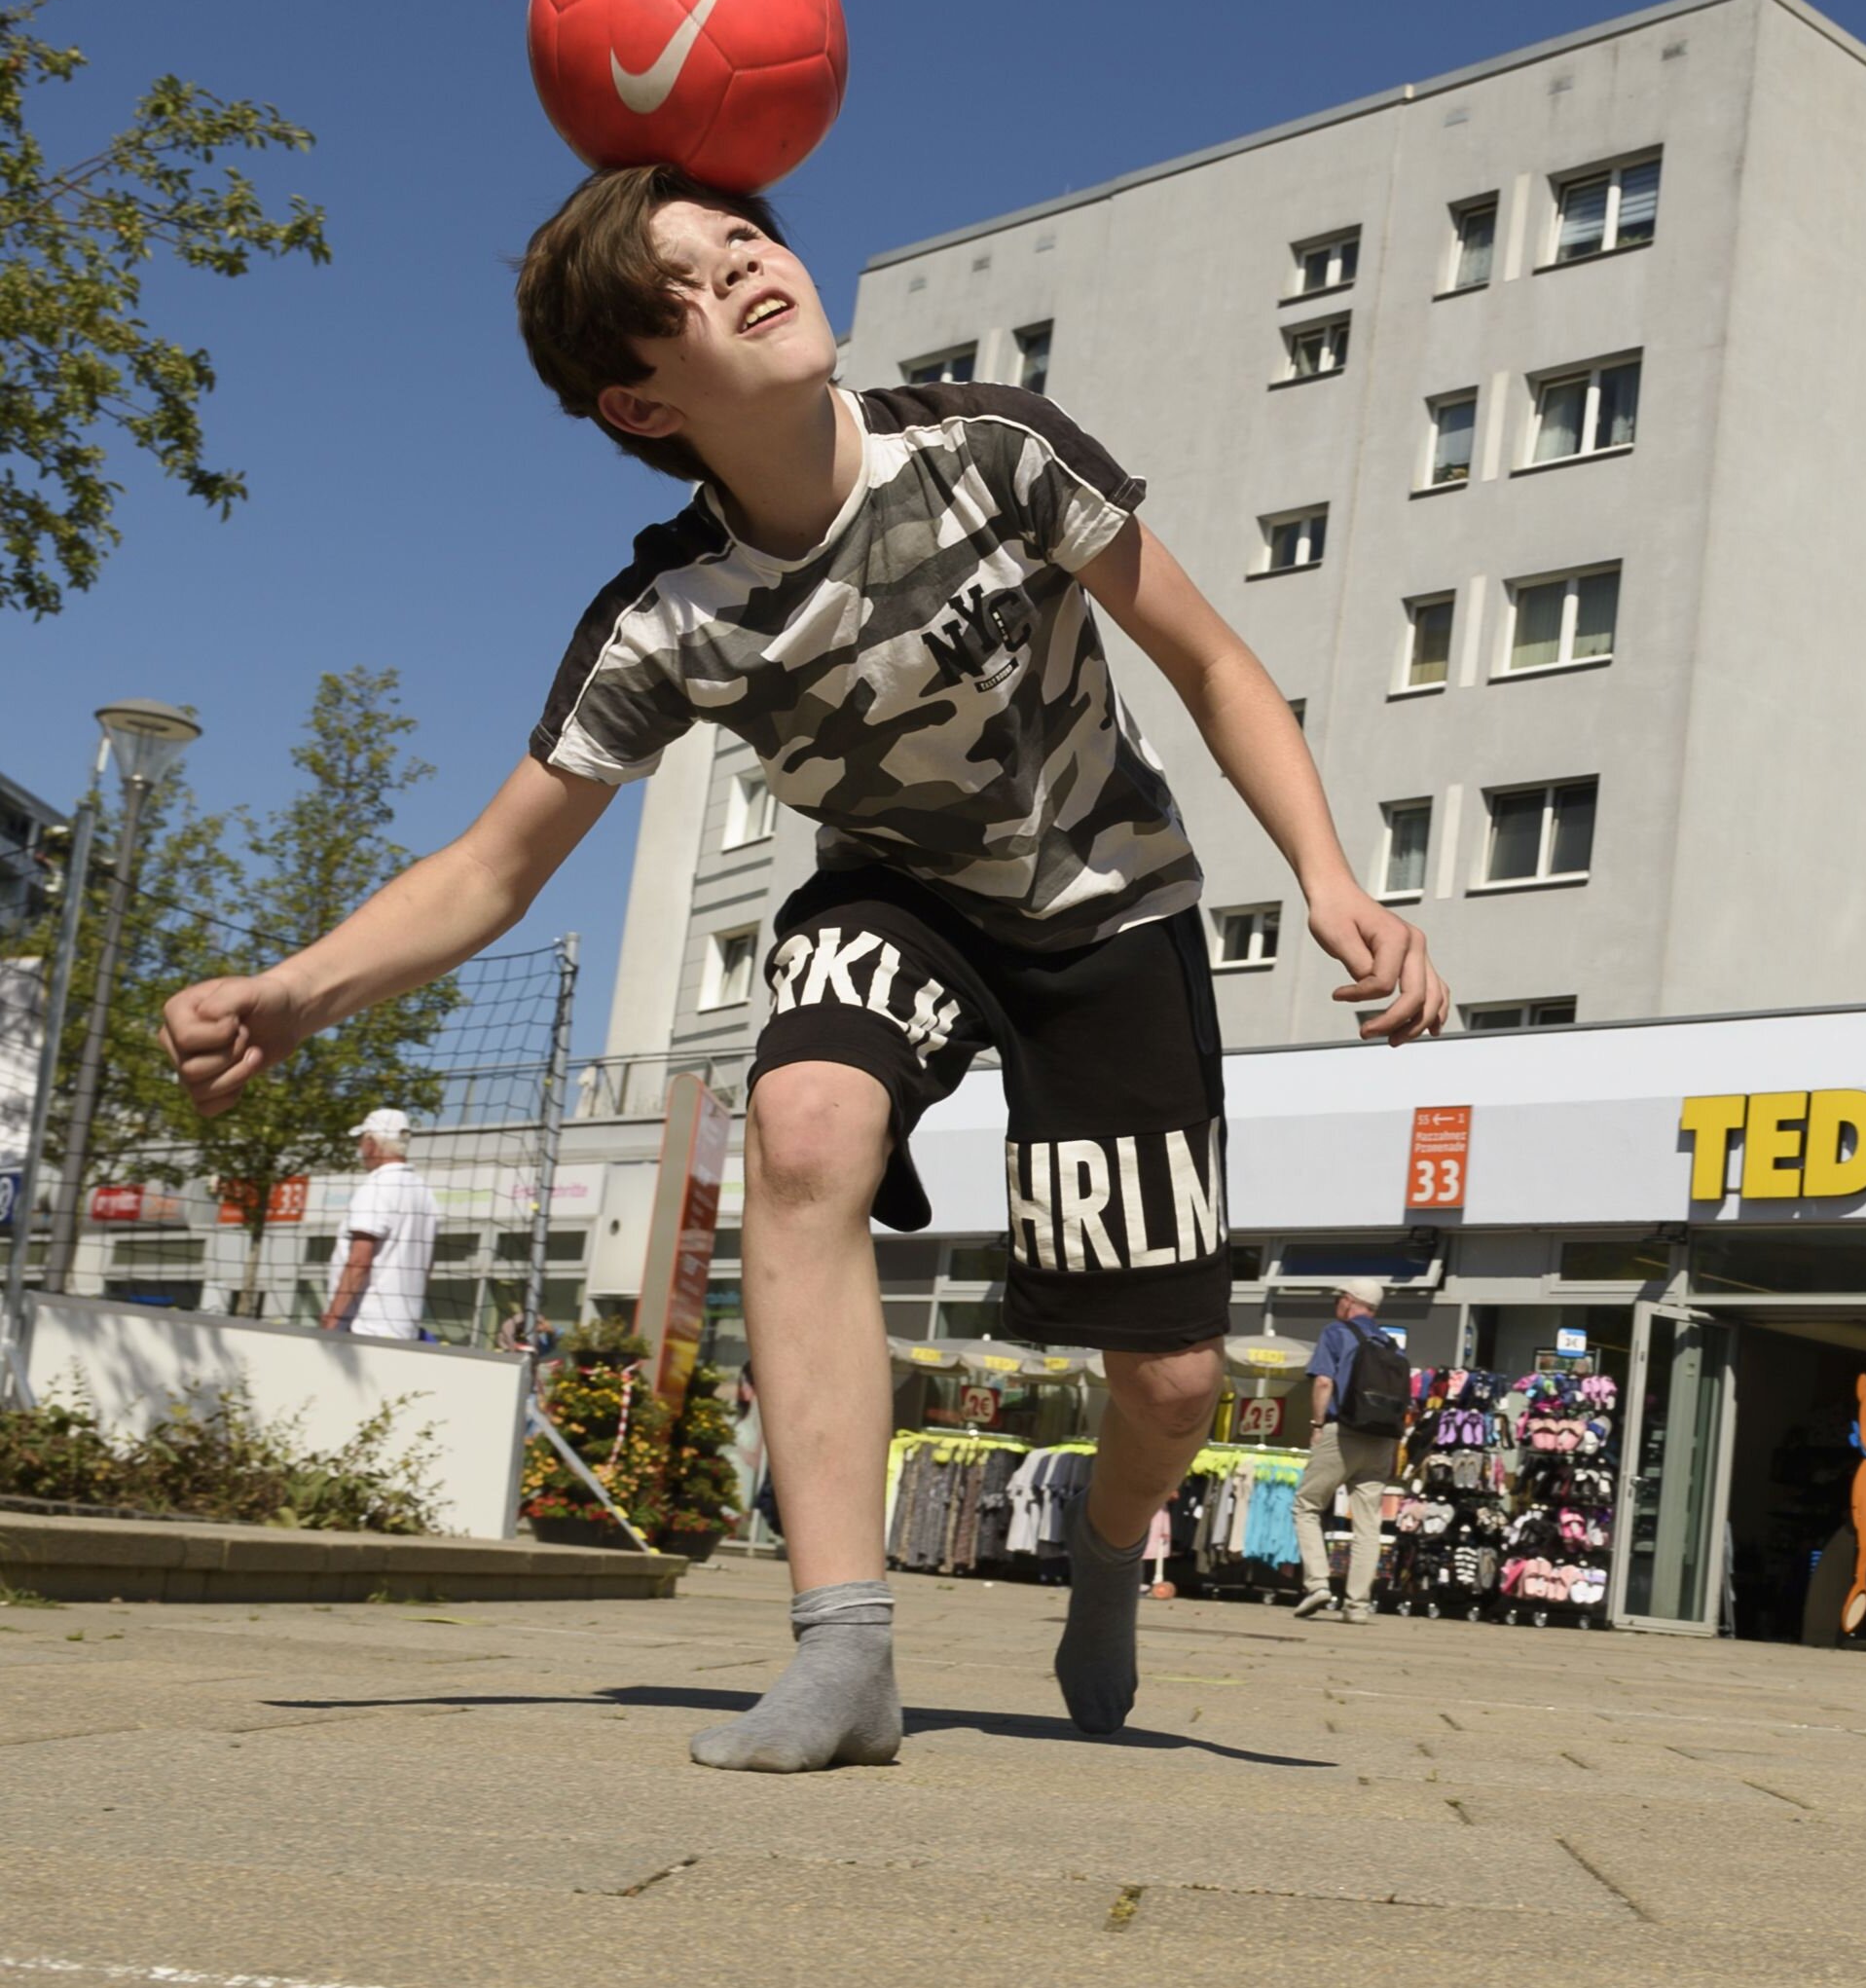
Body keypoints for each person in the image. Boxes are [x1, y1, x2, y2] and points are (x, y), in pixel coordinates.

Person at [161, 163, 1447, 1772]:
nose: (747, 275)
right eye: (690, 287)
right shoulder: (670, 617)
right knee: (806, 1127)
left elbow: (1210, 658)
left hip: (1112, 906)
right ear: (639, 402)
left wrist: (1330, 875)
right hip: (893, 899)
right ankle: (844, 1647)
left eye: (744, 241)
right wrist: (298, 990)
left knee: (1175, 1379)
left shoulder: (993, 449)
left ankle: (1110, 1553)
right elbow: (493, 867)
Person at [1293, 1278, 1399, 1623]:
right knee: (1368, 1523)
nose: (1337, 1303)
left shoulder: (1337, 1333)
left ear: (1351, 1301)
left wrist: (1316, 1425)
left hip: (1344, 1434)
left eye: (1339, 1298)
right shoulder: (1389, 1343)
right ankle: (1357, 1605)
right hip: (1382, 1439)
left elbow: (1324, 1381)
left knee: (1307, 1505)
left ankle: (1318, 1583)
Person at [317, 1110, 438, 1341]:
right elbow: (427, 1265)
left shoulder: (377, 1186)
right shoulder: (423, 1192)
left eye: (361, 1141)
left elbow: (360, 1260)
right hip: (405, 1329)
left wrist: (332, 1318)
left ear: (371, 1144)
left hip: (364, 1329)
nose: (360, 1150)